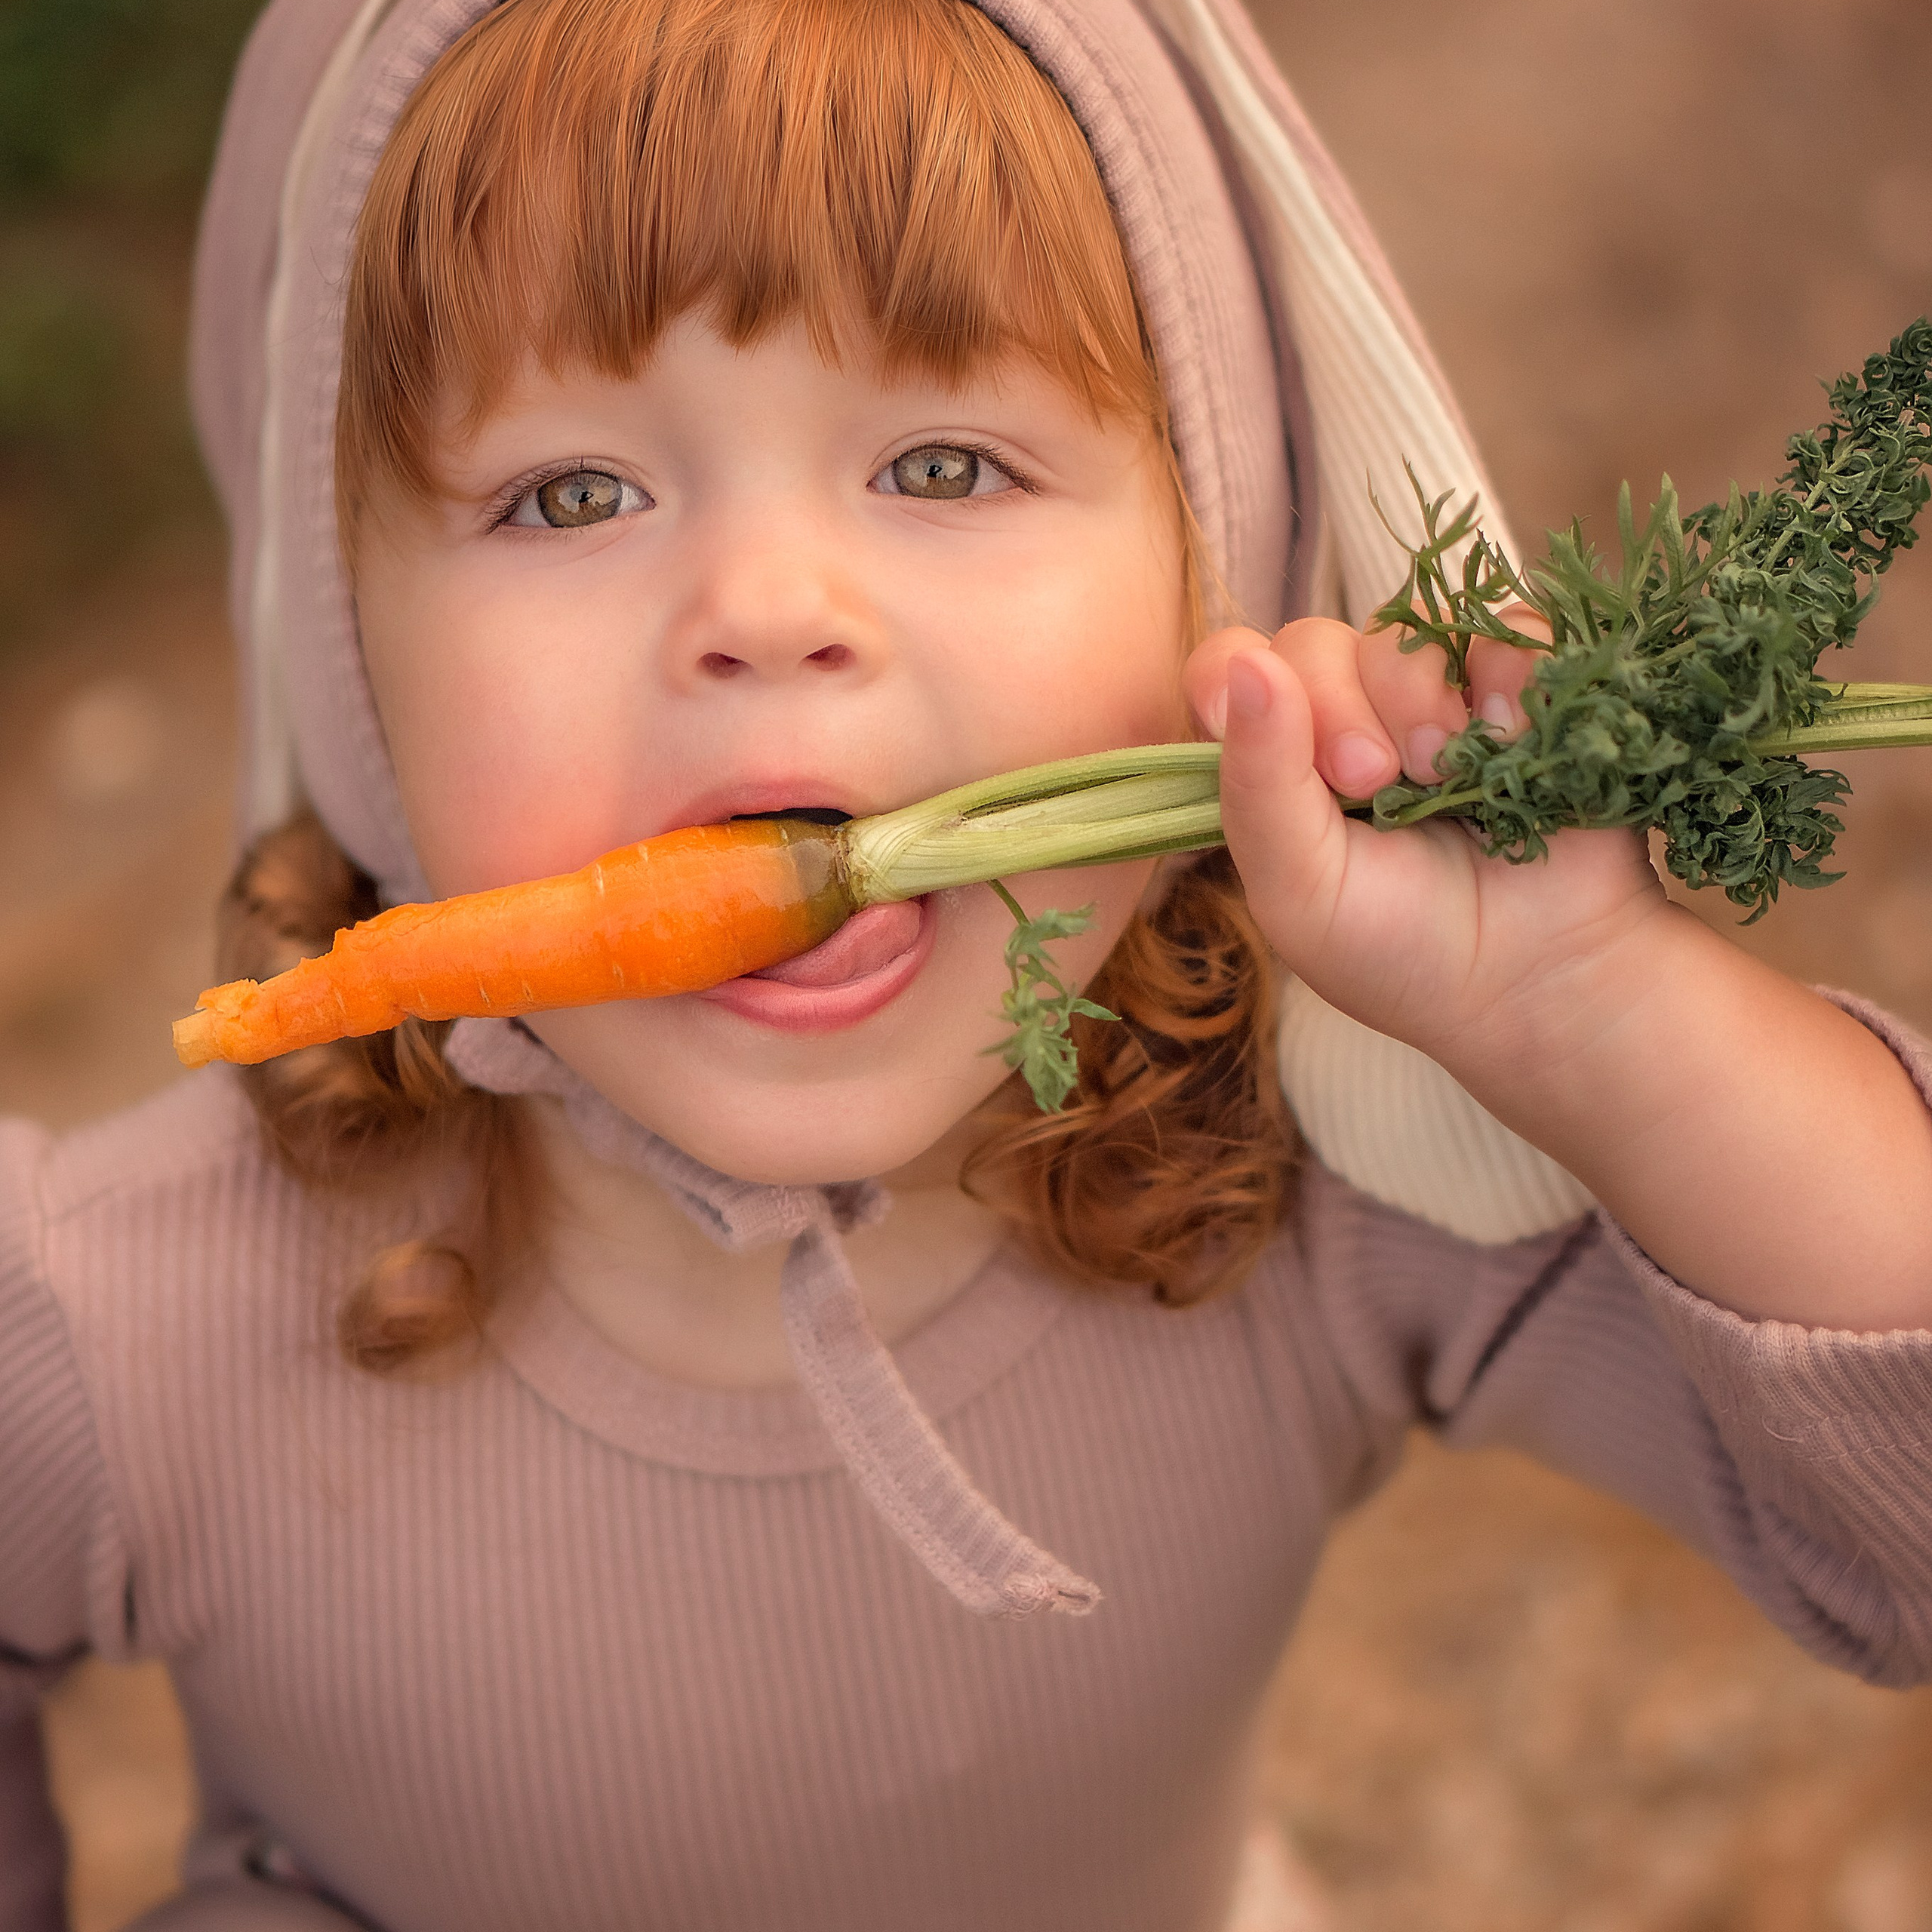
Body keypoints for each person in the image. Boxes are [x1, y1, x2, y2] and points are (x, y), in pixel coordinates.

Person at [4, 0, 1930, 1927]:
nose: (766, 611)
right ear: (352, 656)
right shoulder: (121, 1322)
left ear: (1213, 568)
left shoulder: (1296, 1193)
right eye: (570, 494)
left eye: (941, 465)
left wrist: (1583, 1006)